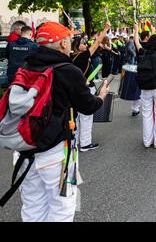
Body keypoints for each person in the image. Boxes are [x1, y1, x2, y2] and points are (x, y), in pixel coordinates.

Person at [18, 22, 108, 222]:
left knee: (32, 204)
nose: (70, 43)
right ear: (62, 44)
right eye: (68, 39)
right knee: (62, 205)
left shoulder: (26, 65)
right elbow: (88, 106)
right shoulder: (67, 70)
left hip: (24, 146)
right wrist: (101, 96)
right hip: (55, 149)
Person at [71, 21, 110, 152]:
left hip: (73, 90)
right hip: (85, 88)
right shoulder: (82, 56)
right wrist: (105, 29)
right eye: (82, 43)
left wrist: (72, 28)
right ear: (77, 46)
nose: (85, 45)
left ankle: (75, 142)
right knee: (86, 116)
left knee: (75, 117)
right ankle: (85, 143)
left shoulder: (68, 56)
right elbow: (97, 42)